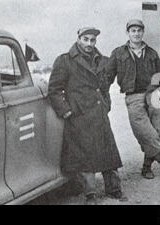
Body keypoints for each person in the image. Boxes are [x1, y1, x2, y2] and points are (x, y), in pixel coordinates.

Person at [48, 27, 127, 205]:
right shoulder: (65, 61)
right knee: (85, 157)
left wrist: (106, 104)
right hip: (79, 116)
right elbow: (54, 89)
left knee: (108, 152)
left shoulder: (102, 60)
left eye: (92, 40)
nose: (89, 44)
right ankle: (90, 195)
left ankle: (114, 190)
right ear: (79, 39)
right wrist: (66, 110)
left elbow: (105, 85)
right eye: (86, 39)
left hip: (99, 114)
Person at [106, 19, 160, 180]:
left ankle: (146, 167)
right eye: (133, 30)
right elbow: (107, 76)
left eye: (139, 30)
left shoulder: (151, 53)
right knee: (145, 132)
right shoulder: (118, 53)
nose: (136, 33)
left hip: (153, 94)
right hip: (133, 96)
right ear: (128, 33)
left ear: (143, 32)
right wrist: (102, 94)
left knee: (156, 131)